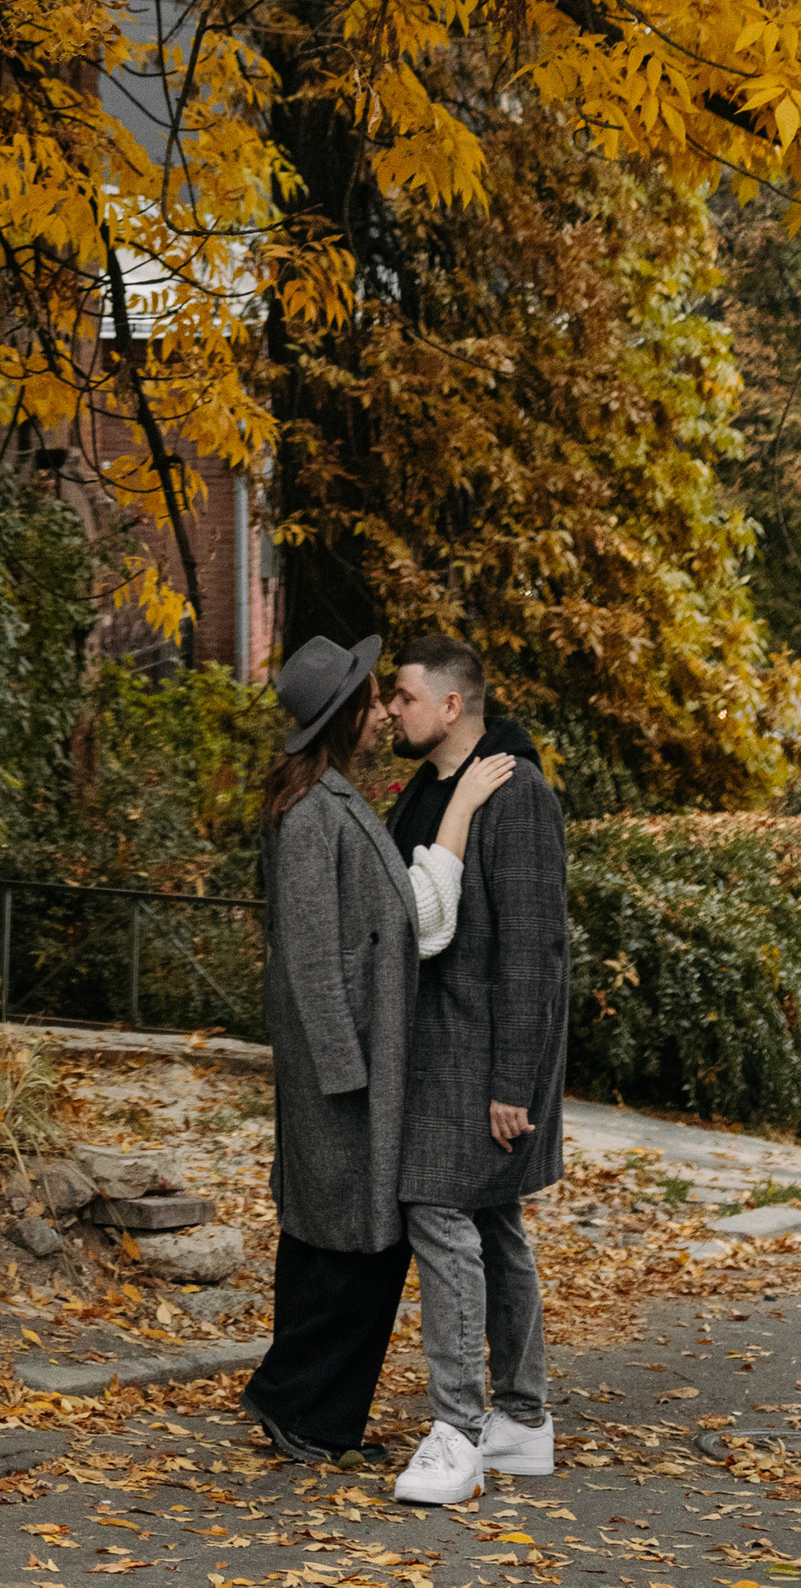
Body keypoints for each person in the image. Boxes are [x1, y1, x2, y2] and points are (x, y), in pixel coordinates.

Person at [243, 632, 517, 1466]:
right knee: (346, 1244)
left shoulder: (334, 800)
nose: (382, 712)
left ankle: (312, 1413)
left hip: (362, 1060)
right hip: (347, 1067)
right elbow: (310, 955)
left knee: (348, 1239)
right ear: (341, 718)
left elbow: (391, 923)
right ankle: (297, 1407)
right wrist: (344, 1072)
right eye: (370, 701)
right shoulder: (310, 812)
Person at [379, 634, 571, 1511]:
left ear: (451, 706)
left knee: (439, 1209)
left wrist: (512, 1082)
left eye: (405, 697)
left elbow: (535, 949)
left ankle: (457, 1432)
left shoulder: (516, 794)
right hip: (437, 1045)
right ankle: (523, 1421)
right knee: (494, 1223)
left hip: (479, 1050)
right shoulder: (430, 789)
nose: (391, 709)